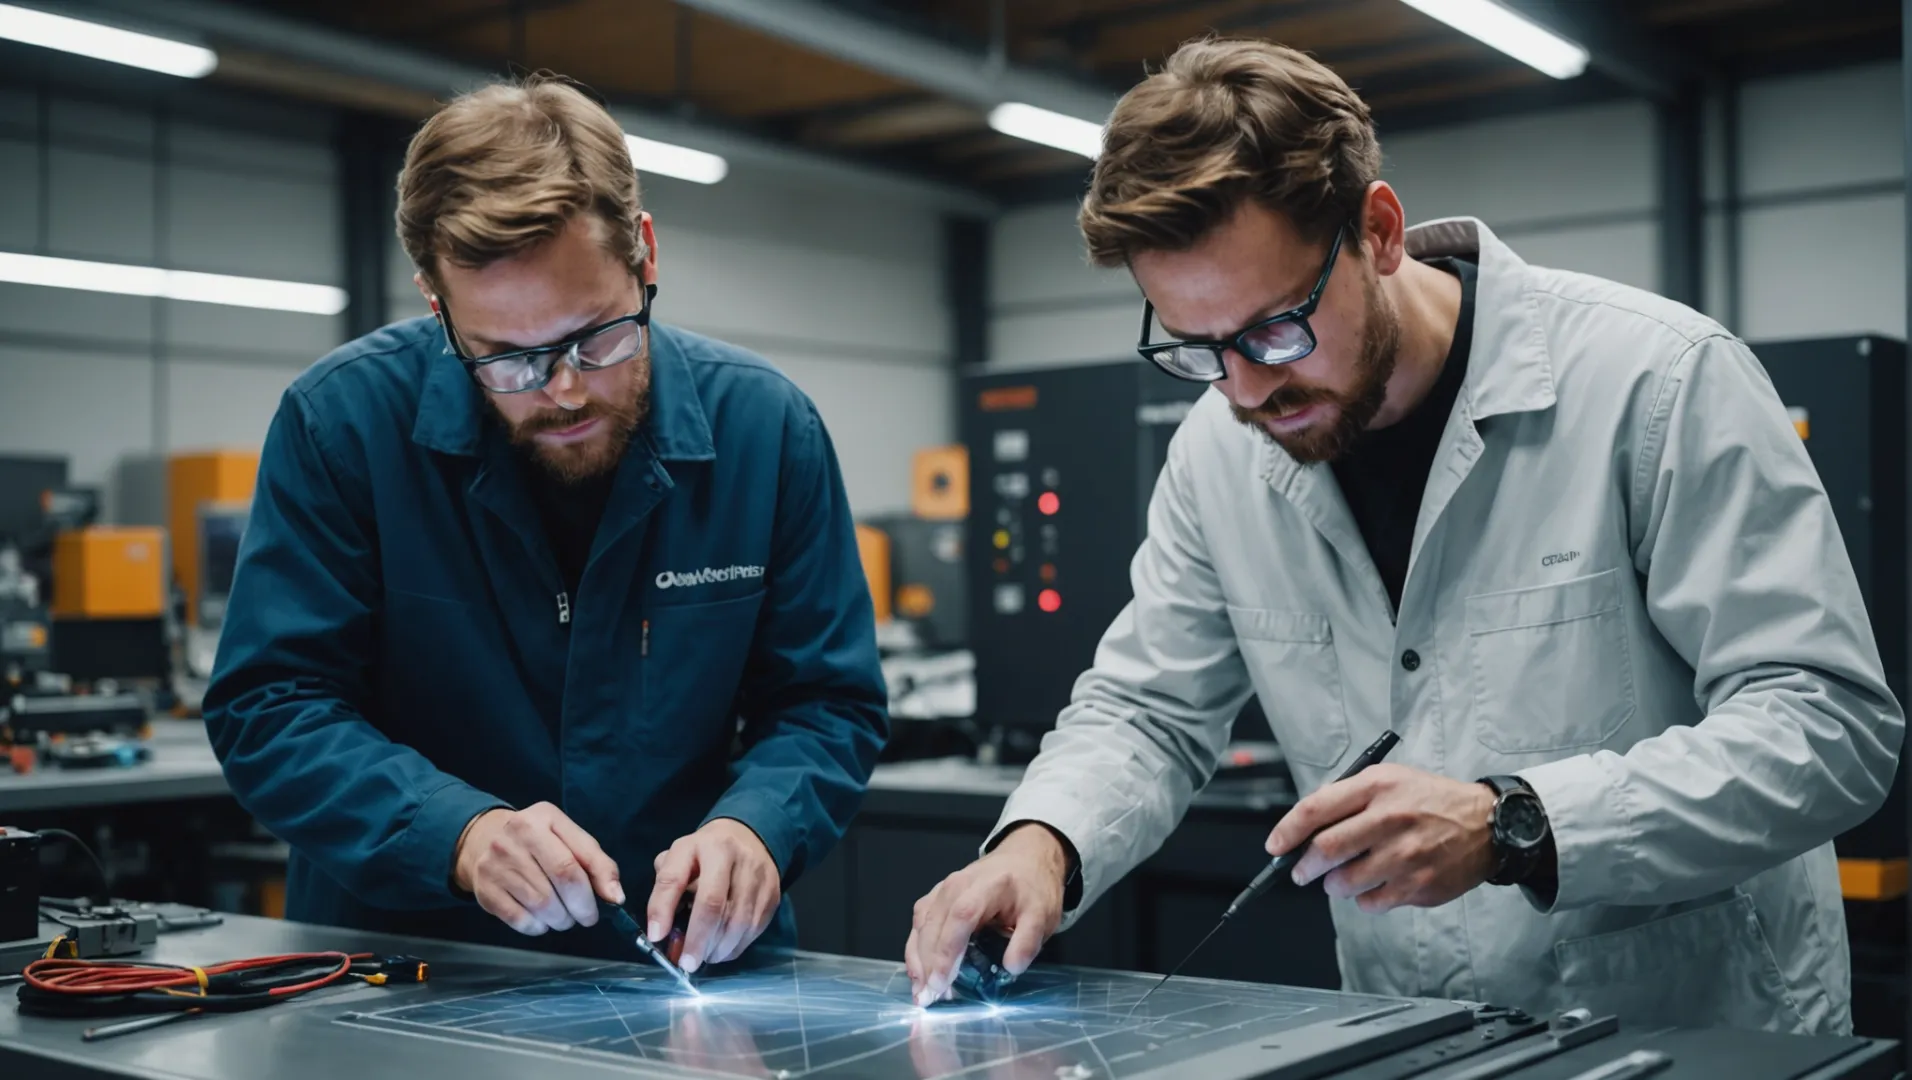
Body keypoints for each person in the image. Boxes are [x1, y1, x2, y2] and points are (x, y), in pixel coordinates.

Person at [905, 38, 1903, 1034]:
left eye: (1273, 329)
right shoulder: (1218, 451)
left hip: (1693, 1028)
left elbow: (1825, 724)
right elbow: (1147, 708)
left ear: (1378, 232)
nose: (1248, 388)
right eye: (1197, 349)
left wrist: (1517, 822)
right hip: (1412, 1032)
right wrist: (1038, 845)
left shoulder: (1657, 383)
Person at [205, 75, 888, 970]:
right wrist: (453, 832)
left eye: (596, 336)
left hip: (687, 964)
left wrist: (759, 827)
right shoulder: (343, 428)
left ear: (644, 253)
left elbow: (826, 703)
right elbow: (271, 705)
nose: (563, 389)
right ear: (436, 302)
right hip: (408, 969)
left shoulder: (764, 431)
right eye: (504, 358)